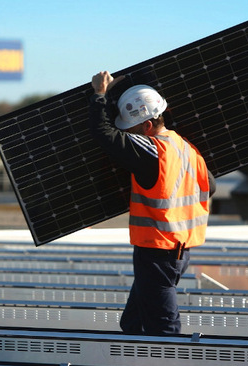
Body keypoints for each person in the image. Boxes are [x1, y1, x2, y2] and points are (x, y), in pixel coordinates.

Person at [88, 71, 215, 335]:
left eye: (132, 129)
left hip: (158, 251)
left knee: (163, 328)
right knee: (133, 322)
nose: (130, 135)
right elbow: (210, 186)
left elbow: (104, 135)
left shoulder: (152, 149)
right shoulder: (187, 149)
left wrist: (99, 94)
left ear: (147, 126)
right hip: (180, 250)